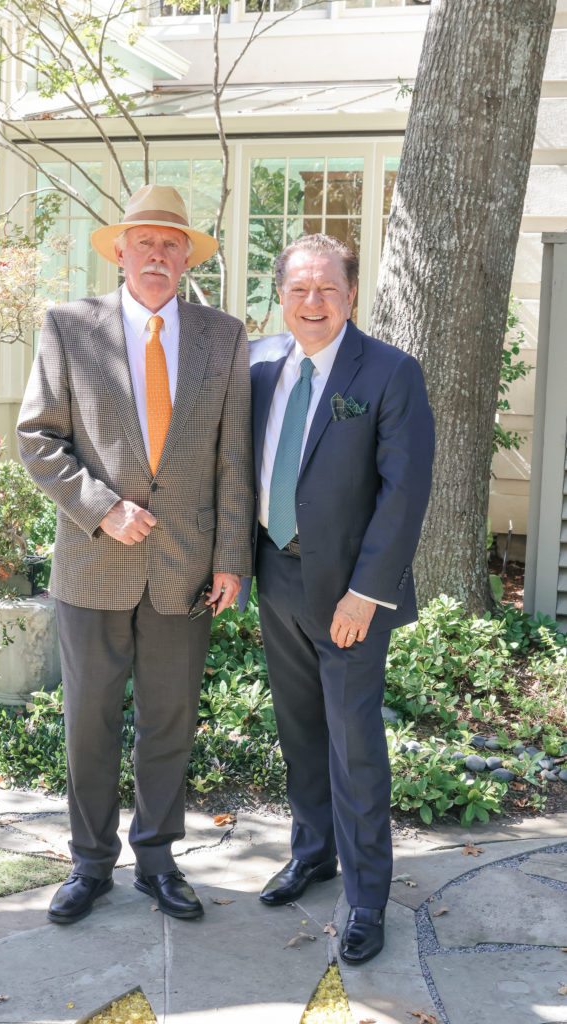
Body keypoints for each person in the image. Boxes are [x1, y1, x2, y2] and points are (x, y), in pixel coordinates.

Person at [17, 184, 253, 924]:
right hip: (93, 563)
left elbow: (233, 458)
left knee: (170, 719)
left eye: (169, 243)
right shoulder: (68, 327)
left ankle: (156, 859)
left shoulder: (223, 335)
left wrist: (231, 559)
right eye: (142, 241)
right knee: (88, 720)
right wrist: (100, 507)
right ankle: (90, 865)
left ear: (186, 256)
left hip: (185, 569)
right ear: (119, 251)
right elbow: (37, 438)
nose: (156, 253)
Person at [246, 233, 434, 964]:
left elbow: (403, 494)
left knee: (354, 744)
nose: (312, 302)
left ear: (351, 294)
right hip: (275, 574)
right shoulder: (259, 365)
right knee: (300, 731)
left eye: (327, 288)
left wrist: (365, 595)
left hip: (348, 592)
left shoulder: (389, 372)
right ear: (281, 296)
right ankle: (313, 852)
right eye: (298, 289)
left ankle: (364, 897)